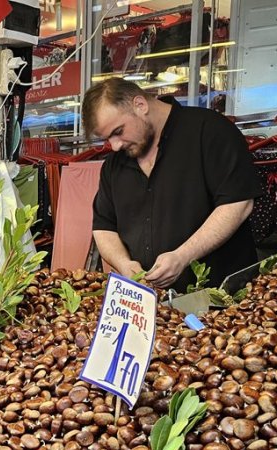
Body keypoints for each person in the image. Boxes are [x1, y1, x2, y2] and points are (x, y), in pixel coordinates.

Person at [85, 78, 261, 292]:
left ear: (140, 105)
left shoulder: (209, 131)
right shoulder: (114, 165)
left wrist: (182, 256)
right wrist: (124, 264)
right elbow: (104, 227)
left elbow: (238, 203)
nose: (114, 146)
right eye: (107, 139)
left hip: (224, 303)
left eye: (118, 131)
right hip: (153, 307)